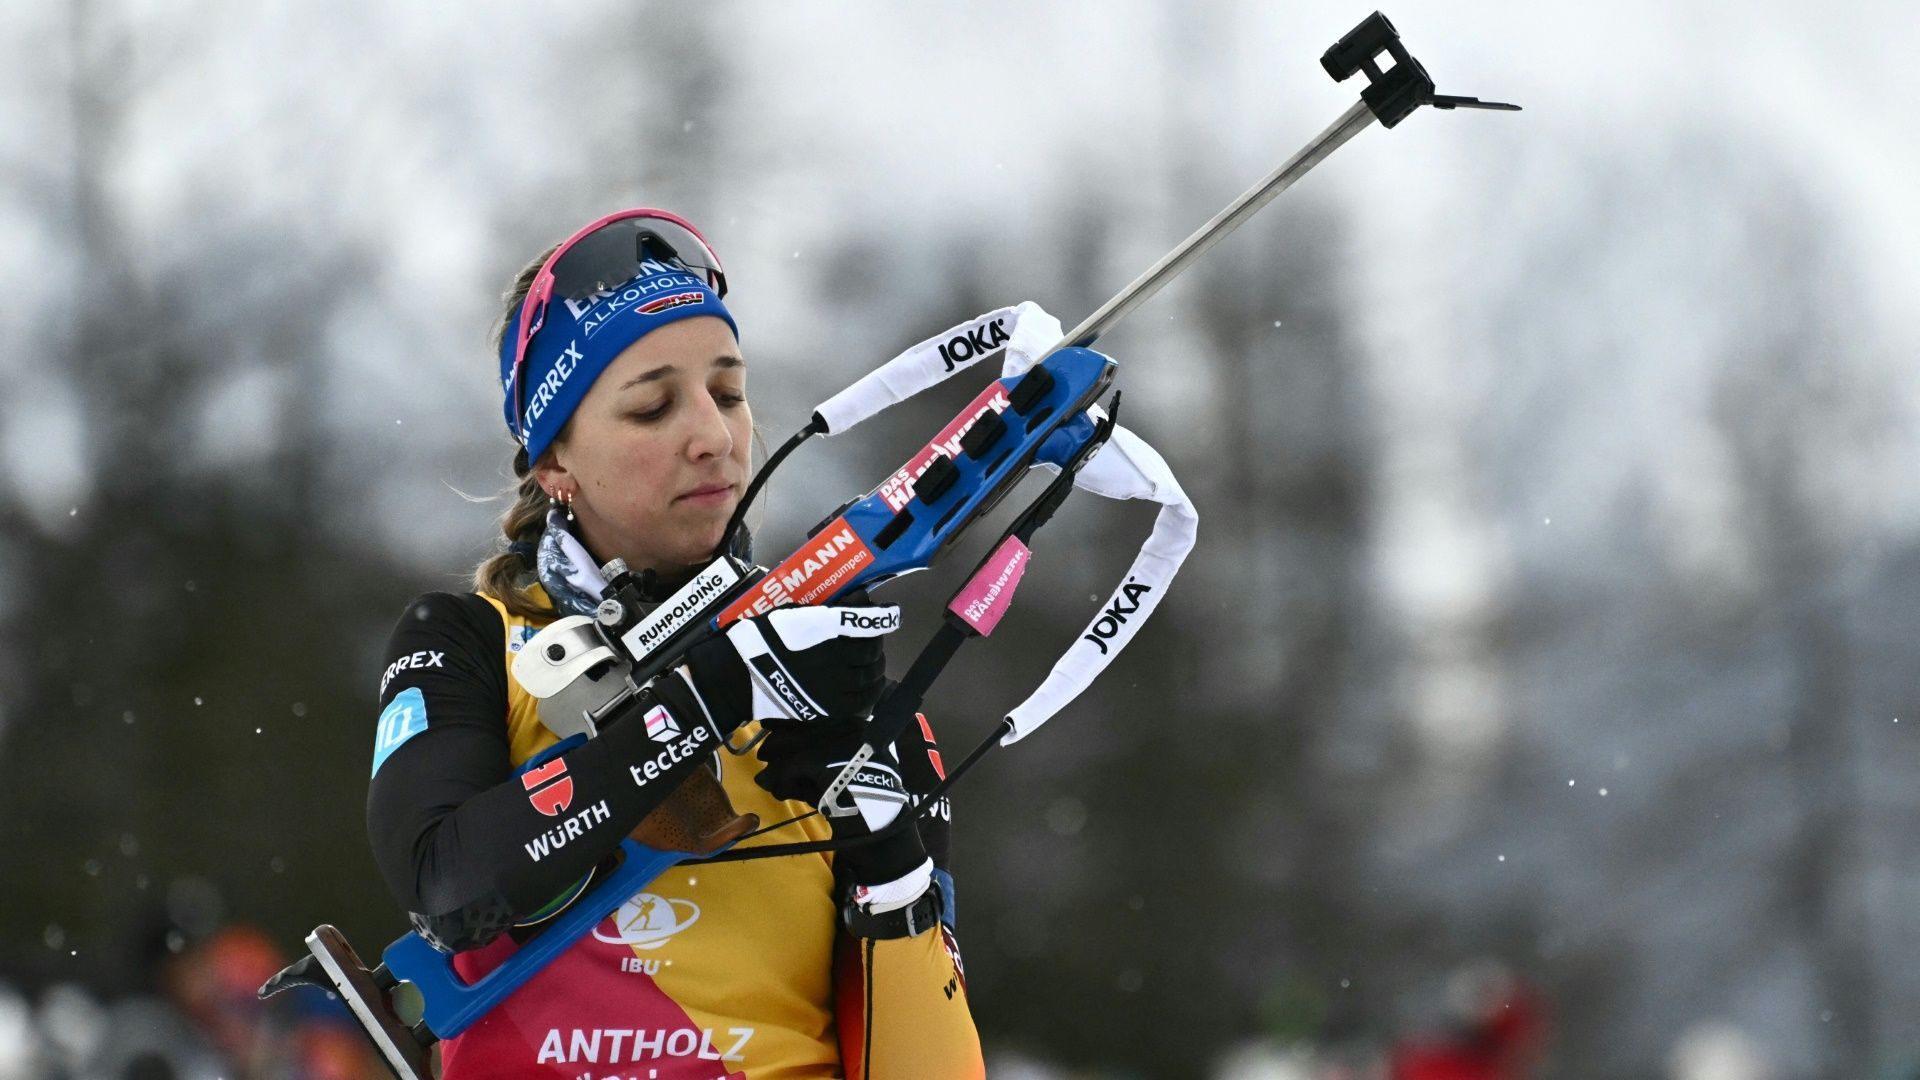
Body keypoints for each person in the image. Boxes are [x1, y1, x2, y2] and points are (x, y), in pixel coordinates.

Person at [366, 209, 981, 1079]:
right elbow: (452, 884)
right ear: (555, 464)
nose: (715, 436)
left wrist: (888, 858)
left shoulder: (844, 692)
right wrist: (712, 696)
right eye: (654, 406)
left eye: (728, 393)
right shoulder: (468, 640)